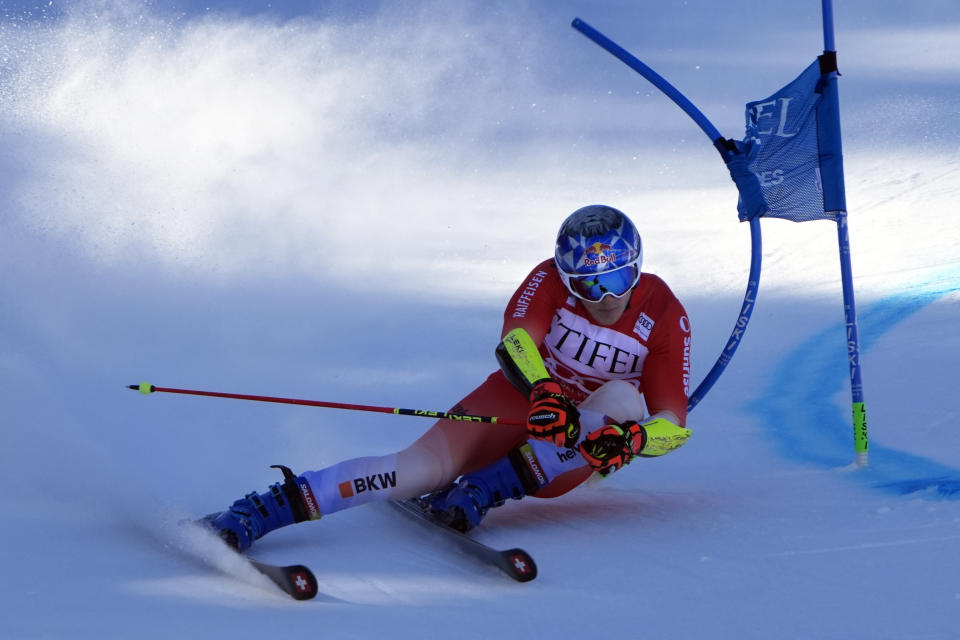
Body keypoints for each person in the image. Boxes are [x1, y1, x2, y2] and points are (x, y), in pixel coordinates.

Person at [202, 204, 693, 551]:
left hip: (574, 447)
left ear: (638, 268)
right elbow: (517, 341)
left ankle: (484, 488)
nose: (605, 296)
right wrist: (544, 389)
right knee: (417, 469)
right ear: (566, 277)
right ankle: (265, 510)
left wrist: (630, 442)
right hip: (526, 400)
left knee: (626, 399)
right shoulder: (545, 278)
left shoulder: (664, 311)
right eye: (588, 283)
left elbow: (673, 421)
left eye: (619, 279)